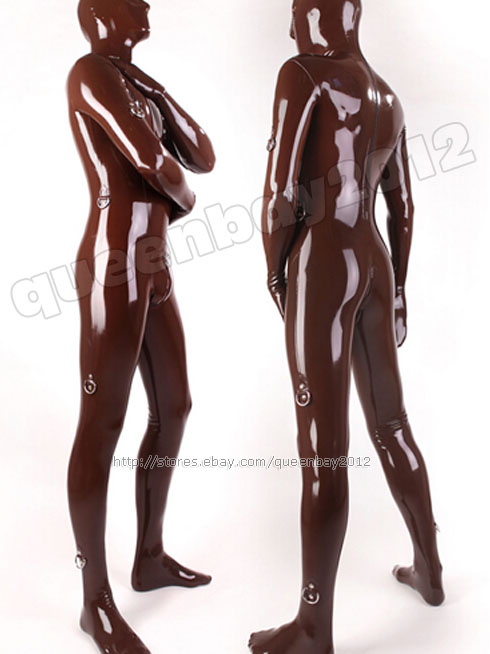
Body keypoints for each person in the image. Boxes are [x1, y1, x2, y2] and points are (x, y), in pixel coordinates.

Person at [250, 1, 444, 652]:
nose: (289, 28)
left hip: (323, 259)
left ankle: (313, 627)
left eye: (297, 12)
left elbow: (281, 194)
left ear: (327, 16)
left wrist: (275, 270)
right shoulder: (388, 96)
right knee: (392, 423)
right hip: (375, 262)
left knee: (323, 448)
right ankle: (430, 569)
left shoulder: (304, 73)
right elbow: (403, 204)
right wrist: (400, 290)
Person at [67, 1, 215, 652]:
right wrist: (185, 200)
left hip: (151, 260)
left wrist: (152, 86)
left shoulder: (131, 81)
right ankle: (94, 602)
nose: (146, 3)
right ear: (101, 12)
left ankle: (149, 557)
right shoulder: (90, 72)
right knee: (101, 425)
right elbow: (154, 163)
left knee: (175, 406)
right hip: (114, 260)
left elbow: (202, 153)